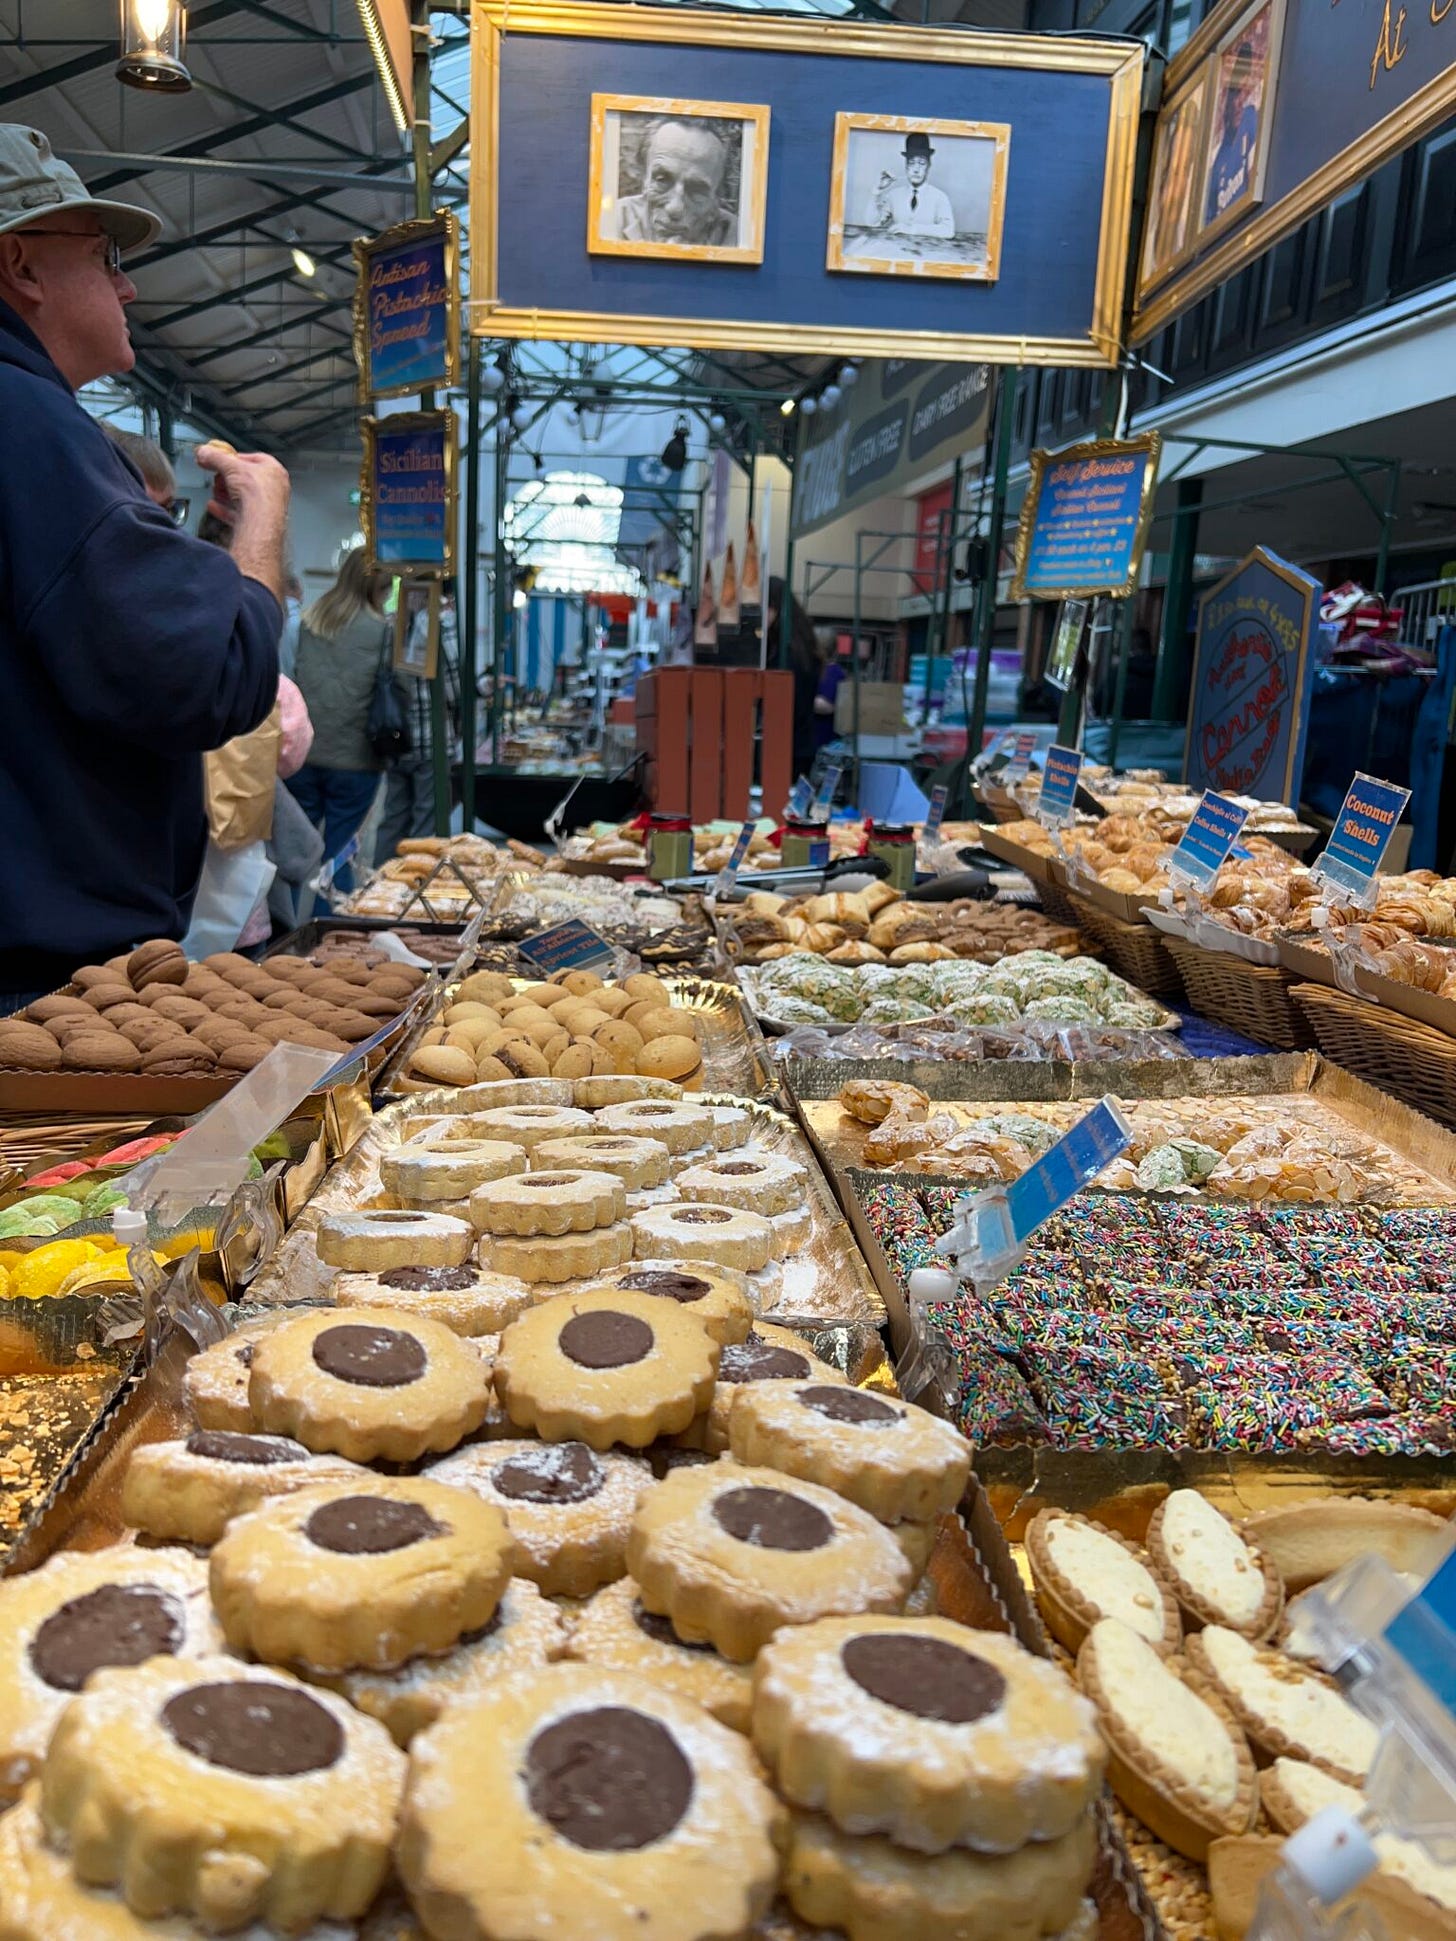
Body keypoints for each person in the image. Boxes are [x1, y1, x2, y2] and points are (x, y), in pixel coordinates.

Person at [0, 123, 286, 1011]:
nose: (126, 285)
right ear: (21, 265)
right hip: (37, 986)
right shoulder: (31, 427)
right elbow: (212, 676)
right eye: (104, 255)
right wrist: (262, 527)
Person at [287, 547, 392, 902]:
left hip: (304, 756)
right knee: (339, 855)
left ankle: (283, 921)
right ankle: (329, 926)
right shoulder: (382, 632)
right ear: (378, 589)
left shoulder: (309, 621)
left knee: (293, 850)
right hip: (356, 762)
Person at [375, 589, 462, 864]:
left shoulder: (392, 627)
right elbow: (455, 690)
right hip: (431, 739)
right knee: (426, 822)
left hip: (396, 737)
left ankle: (382, 877)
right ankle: (417, 879)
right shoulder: (442, 629)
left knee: (394, 818)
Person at [617, 119, 735, 247]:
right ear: (644, 178)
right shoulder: (610, 219)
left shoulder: (739, 237)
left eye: (696, 190)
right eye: (662, 180)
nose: (674, 208)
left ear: (717, 198)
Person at [1206, 42, 1261, 224]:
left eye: (1243, 94)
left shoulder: (1250, 119)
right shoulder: (1216, 162)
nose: (1239, 103)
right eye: (1235, 95)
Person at [869, 132, 954, 241]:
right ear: (906, 167)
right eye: (911, 163)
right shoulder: (894, 195)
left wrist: (911, 229)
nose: (916, 169)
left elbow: (948, 231)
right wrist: (877, 191)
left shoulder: (939, 197)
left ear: (928, 166)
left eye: (922, 163)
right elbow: (873, 223)